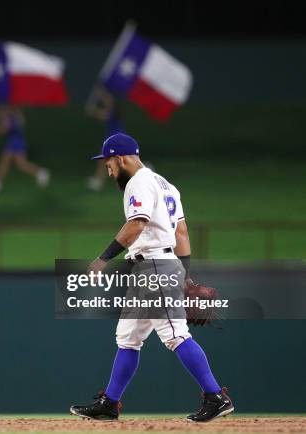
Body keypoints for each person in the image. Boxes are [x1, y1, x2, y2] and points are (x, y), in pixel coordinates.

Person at [69, 133, 234, 422]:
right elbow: (181, 232)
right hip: (155, 264)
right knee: (128, 338)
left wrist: (102, 260)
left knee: (175, 334)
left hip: (154, 265)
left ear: (120, 158)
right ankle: (110, 403)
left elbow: (136, 224)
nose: (107, 169)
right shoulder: (165, 184)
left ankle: (215, 396)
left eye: (108, 162)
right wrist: (183, 274)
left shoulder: (139, 182)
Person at [0, 106, 50, 193]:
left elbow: (4, 128)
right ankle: (40, 173)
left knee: (6, 162)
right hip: (17, 141)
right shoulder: (14, 113)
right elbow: (1, 115)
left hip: (15, 142)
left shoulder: (12, 114)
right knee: (20, 164)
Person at [84, 85, 125, 192]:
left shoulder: (111, 113)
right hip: (120, 139)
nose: (107, 103)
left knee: (105, 161)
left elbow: (96, 112)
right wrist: (100, 93)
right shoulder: (113, 112)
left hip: (114, 140)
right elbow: (108, 101)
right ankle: (100, 181)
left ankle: (98, 182)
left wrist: (92, 107)